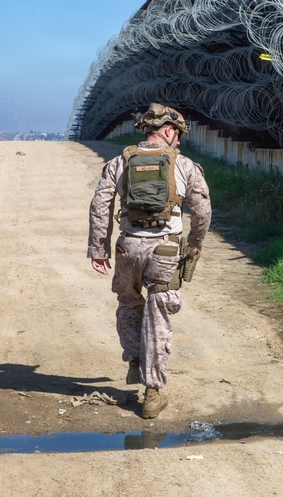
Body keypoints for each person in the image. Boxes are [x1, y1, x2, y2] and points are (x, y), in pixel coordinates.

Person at [87, 103, 211, 418]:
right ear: (167, 130)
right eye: (178, 135)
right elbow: (202, 210)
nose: (179, 141)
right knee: (159, 318)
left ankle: (134, 362)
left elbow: (101, 204)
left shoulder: (119, 163)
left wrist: (99, 248)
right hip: (166, 252)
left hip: (127, 249)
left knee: (129, 304)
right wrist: (194, 244)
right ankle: (152, 394)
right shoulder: (183, 166)